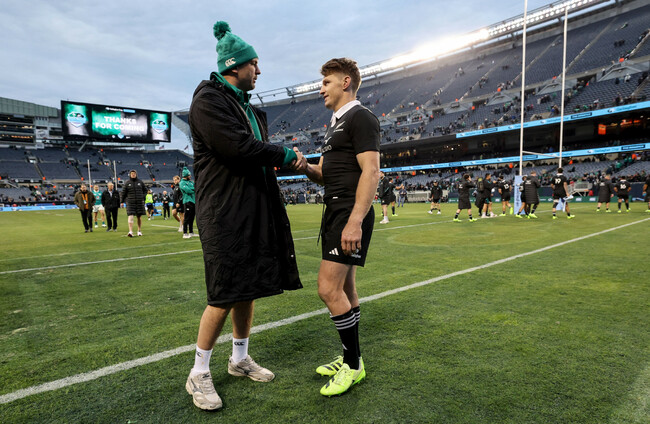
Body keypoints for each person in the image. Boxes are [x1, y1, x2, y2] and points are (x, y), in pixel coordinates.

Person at [185, 21, 302, 411]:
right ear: (234, 65)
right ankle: (199, 371)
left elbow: (254, 153)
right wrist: (286, 154)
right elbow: (238, 148)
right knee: (224, 291)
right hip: (223, 211)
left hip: (251, 206)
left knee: (247, 286)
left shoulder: (245, 106)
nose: (259, 70)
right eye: (254, 64)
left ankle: (239, 359)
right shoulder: (208, 101)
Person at [296, 57, 380, 397]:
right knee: (345, 289)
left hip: (349, 213)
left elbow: (371, 171)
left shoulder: (361, 117)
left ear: (346, 82)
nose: (321, 89)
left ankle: (354, 364)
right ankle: (350, 359)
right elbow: (325, 175)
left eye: (326, 83)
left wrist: (355, 221)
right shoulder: (335, 123)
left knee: (327, 289)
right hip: (336, 211)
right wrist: (306, 167)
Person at [121, 169, 147, 236]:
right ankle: (130, 231)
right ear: (130, 175)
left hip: (139, 201)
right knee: (130, 215)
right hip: (130, 202)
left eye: (134, 174)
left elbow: (145, 190)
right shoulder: (127, 183)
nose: (133, 175)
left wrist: (143, 197)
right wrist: (122, 201)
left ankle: (139, 231)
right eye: (132, 174)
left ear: (136, 174)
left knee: (139, 216)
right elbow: (123, 193)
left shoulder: (140, 182)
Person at [180, 167, 197, 238]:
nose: (190, 176)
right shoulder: (182, 183)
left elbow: (196, 187)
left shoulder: (191, 182)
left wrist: (193, 189)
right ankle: (185, 233)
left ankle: (191, 232)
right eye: (189, 175)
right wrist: (193, 189)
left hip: (193, 201)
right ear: (186, 175)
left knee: (192, 218)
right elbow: (188, 190)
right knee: (187, 218)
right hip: (187, 201)